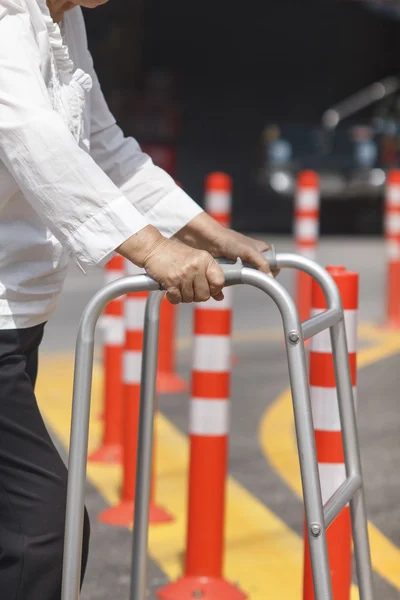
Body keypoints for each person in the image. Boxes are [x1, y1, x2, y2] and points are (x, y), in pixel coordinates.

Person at [0, 0, 274, 597]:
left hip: (16, 319)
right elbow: (30, 135)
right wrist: (152, 251)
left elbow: (105, 147)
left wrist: (211, 233)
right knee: (42, 529)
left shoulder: (63, 21)